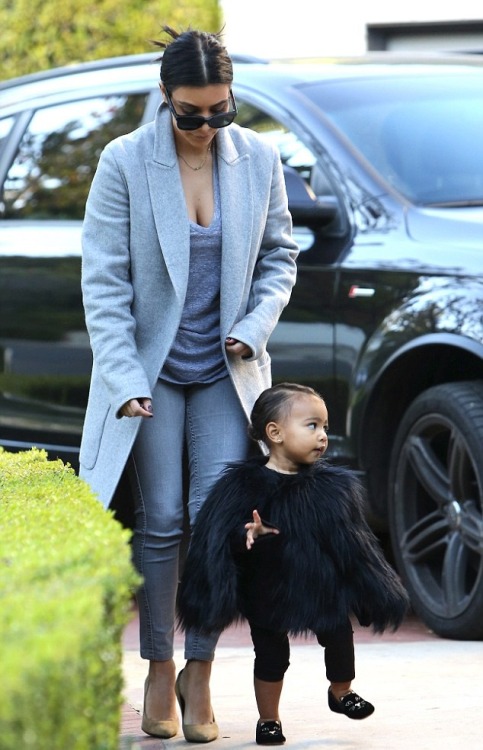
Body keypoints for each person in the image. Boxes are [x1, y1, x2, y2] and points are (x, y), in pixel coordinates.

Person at [79, 26, 298, 744]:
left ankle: (199, 671)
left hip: (224, 370)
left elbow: (279, 258)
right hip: (149, 372)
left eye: (220, 111)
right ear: (164, 100)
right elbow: (104, 282)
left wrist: (253, 326)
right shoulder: (124, 162)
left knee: (214, 522)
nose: (206, 127)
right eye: (190, 114)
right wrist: (122, 375)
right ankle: (156, 664)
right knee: (163, 518)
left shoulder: (257, 159)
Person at [177, 382, 410, 746]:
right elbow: (217, 540)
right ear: (275, 433)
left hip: (322, 587)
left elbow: (355, 542)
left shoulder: (333, 487)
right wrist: (246, 535)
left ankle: (341, 692)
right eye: (312, 426)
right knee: (271, 657)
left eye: (325, 428)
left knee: (339, 639)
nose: (323, 437)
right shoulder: (242, 486)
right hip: (267, 591)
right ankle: (268, 719)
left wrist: (369, 589)